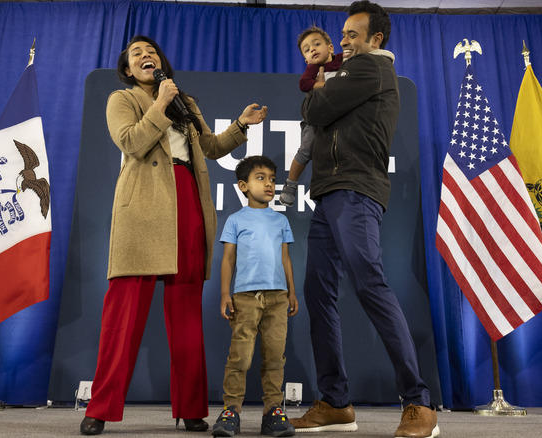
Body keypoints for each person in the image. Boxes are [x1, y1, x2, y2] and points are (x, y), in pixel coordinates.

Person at [79, 35, 268, 436]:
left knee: (185, 314)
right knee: (123, 316)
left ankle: (191, 408)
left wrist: (239, 125)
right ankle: (100, 409)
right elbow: (131, 141)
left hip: (188, 204)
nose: (146, 56)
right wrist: (161, 103)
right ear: (128, 69)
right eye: (137, 54)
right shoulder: (123, 99)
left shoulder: (186, 103)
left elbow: (211, 147)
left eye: (151, 52)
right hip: (143, 208)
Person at [288, 2, 440, 438]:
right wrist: (319, 94)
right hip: (328, 192)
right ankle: (335, 403)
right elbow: (316, 111)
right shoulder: (348, 72)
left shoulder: (371, 70)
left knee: (369, 284)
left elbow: (313, 111)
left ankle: (419, 402)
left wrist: (318, 93)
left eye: (354, 34)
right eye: (345, 34)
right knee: (318, 295)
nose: (345, 42)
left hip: (356, 189)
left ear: (376, 40)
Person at [212, 155, 298, 438]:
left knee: (275, 356)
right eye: (260, 178)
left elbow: (285, 258)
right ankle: (231, 411)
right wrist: (226, 293)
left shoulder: (280, 221)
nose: (269, 184)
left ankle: (273, 410)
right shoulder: (236, 220)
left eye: (272, 179)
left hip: (278, 297)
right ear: (243, 186)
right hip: (245, 298)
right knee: (241, 357)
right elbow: (228, 260)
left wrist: (291, 291)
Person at [279, 26, 343, 208]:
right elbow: (303, 84)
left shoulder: (343, 62)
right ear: (305, 59)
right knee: (306, 149)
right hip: (314, 121)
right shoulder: (313, 69)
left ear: (331, 47)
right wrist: (321, 86)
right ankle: (290, 184)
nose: (312, 49)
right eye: (307, 50)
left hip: (338, 121)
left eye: (317, 44)